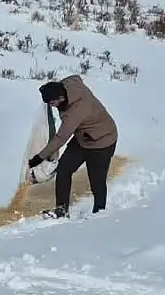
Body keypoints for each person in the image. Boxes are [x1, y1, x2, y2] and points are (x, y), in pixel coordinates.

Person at [28, 75, 118, 218]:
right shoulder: (67, 85)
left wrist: (39, 157)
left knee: (97, 181)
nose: (51, 105)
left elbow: (61, 138)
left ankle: (99, 214)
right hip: (83, 137)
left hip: (102, 141)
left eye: (52, 103)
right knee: (64, 168)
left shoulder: (76, 111)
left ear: (61, 98)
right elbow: (76, 77)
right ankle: (62, 210)